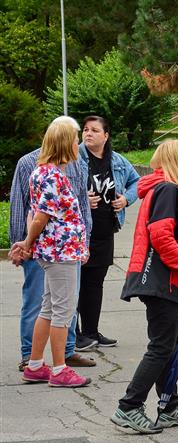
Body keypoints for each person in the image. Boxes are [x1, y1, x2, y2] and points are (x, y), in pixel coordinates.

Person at [112, 140, 178, 434]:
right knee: (162, 346)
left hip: (164, 279)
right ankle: (129, 406)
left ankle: (168, 405)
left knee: (168, 344)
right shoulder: (168, 190)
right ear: (177, 162)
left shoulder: (169, 190)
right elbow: (161, 237)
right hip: (160, 279)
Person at [8, 116, 95, 370]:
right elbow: (33, 213)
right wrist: (22, 243)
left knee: (54, 306)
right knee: (56, 308)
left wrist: (84, 241)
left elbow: (79, 206)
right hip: (57, 250)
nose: (80, 142)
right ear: (65, 142)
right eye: (76, 138)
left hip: (67, 249)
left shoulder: (71, 165)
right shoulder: (44, 171)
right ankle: (51, 366)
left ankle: (49, 359)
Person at [75, 115, 140, 350]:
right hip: (80, 231)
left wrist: (125, 199)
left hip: (105, 229)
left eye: (94, 130)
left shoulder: (118, 161)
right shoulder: (74, 158)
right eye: (85, 130)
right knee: (75, 282)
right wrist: (82, 200)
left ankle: (91, 332)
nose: (88, 134)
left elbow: (137, 183)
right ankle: (74, 334)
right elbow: (60, 188)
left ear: (106, 135)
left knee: (95, 282)